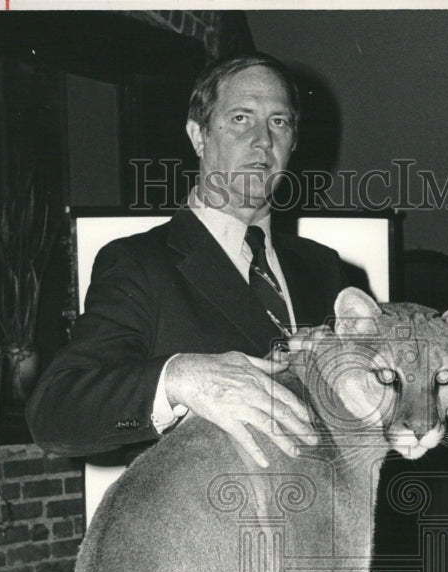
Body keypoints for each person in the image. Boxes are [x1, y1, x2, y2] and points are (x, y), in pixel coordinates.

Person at [26, 52, 346, 469]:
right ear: (198, 135)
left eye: (279, 122)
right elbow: (54, 414)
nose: (263, 140)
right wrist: (179, 378)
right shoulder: (138, 263)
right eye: (241, 118)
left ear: (294, 142)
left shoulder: (324, 268)